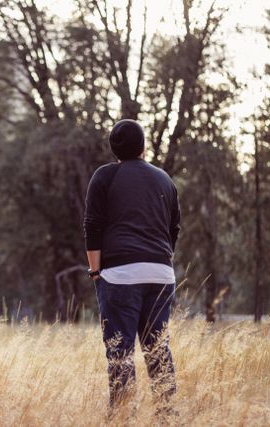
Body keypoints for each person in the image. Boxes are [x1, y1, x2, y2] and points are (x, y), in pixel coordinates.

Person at [83, 119, 180, 415]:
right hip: (161, 274)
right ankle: (168, 416)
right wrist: (161, 259)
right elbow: (174, 228)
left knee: (120, 351)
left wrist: (96, 272)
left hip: (120, 277)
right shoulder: (165, 179)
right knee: (157, 350)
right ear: (144, 146)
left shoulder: (104, 176)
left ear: (114, 148)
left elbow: (92, 227)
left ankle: (124, 417)